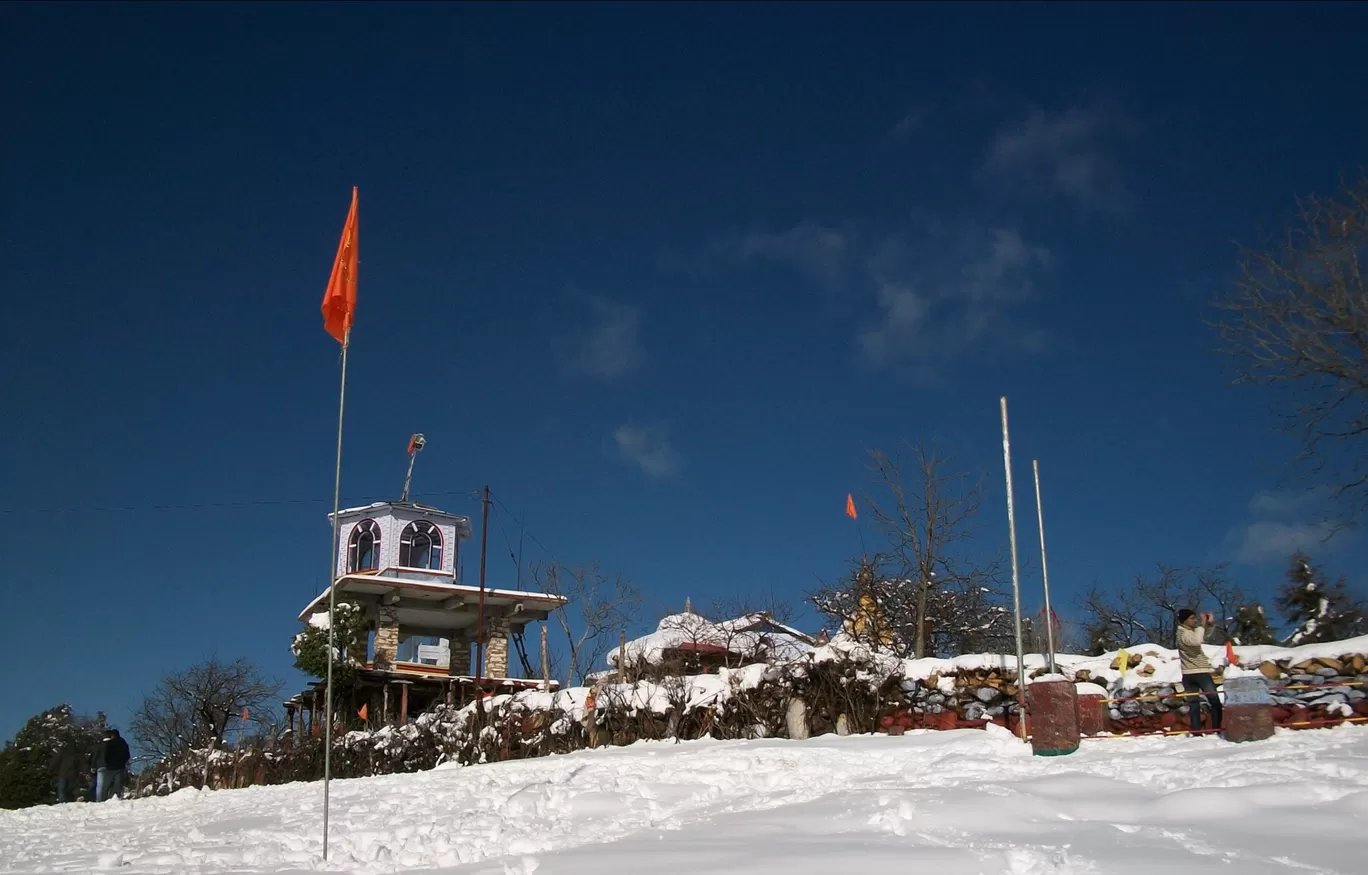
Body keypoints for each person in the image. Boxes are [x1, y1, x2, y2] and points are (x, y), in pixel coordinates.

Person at [1176, 609, 1223, 735]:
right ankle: (1209, 730)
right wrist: (1202, 624)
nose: (1194, 620)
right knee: (1212, 702)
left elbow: (1203, 637)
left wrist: (1209, 624)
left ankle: (1210, 730)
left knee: (1197, 704)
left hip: (1192, 673)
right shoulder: (1182, 633)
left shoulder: (1188, 632)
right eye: (1192, 618)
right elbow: (1196, 640)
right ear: (1184, 620)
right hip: (1199, 673)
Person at [91, 729, 131, 801]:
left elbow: (96, 755)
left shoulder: (103, 743)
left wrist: (93, 766)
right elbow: (127, 755)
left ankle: (100, 802)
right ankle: (115, 800)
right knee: (117, 785)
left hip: (104, 766)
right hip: (119, 767)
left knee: (102, 787)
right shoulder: (122, 743)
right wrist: (122, 763)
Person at [48, 737, 78, 803]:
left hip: (63, 773)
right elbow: (81, 763)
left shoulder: (63, 751)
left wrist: (50, 769)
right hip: (72, 774)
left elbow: (55, 761)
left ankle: (62, 801)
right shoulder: (76, 753)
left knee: (61, 789)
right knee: (69, 789)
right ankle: (69, 801)